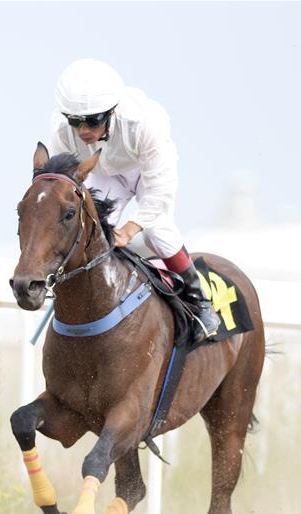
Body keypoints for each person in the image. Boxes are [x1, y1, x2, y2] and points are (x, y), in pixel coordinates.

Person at [50, 58, 220, 343]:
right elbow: (66, 183)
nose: (83, 131)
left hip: (146, 173)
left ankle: (200, 302)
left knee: (156, 232)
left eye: (93, 121)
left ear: (112, 112)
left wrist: (130, 229)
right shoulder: (59, 130)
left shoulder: (146, 122)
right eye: (75, 121)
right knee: (92, 233)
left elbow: (160, 191)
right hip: (105, 173)